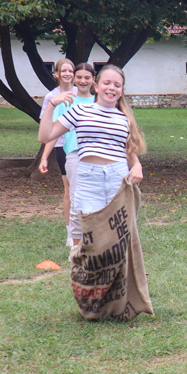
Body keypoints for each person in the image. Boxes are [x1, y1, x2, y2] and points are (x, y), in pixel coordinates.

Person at [37, 65, 145, 218]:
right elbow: (45, 136)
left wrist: (137, 165)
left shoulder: (124, 117)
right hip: (89, 177)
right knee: (88, 224)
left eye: (117, 85)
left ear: (121, 90)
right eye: (106, 83)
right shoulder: (80, 111)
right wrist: (52, 104)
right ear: (96, 86)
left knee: (118, 224)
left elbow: (127, 148)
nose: (111, 88)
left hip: (118, 176)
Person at [40, 62, 95, 246]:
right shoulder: (66, 102)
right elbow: (52, 133)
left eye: (87, 77)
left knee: (95, 197)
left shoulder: (99, 102)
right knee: (75, 197)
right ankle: (75, 239)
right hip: (74, 155)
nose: (82, 81)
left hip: (97, 156)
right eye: (79, 77)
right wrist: (44, 157)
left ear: (93, 80)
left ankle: (94, 237)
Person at [37, 58, 77, 244]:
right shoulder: (51, 98)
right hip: (63, 148)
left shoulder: (81, 94)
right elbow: (50, 131)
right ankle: (71, 232)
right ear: (56, 74)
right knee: (69, 190)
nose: (67, 74)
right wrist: (44, 157)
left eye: (71, 71)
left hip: (83, 147)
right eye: (64, 71)